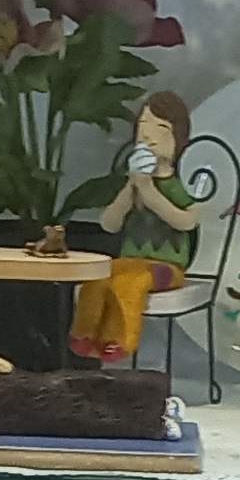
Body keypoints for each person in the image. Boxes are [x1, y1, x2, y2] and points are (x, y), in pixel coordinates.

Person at [71, 89, 200, 362]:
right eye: (143, 127)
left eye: (161, 129)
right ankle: (84, 334)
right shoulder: (134, 185)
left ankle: (119, 340)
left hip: (167, 267)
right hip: (129, 259)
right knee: (98, 276)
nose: (148, 136)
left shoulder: (172, 186)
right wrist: (131, 187)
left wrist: (149, 191)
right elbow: (109, 224)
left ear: (178, 141)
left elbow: (188, 221)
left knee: (131, 283)